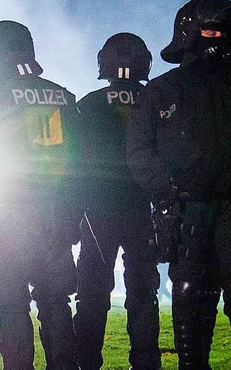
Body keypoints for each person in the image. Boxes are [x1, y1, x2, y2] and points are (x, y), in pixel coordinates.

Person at [127, 0, 231, 369]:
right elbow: (139, 151)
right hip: (195, 204)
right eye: (209, 29)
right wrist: (168, 188)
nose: (215, 37)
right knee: (194, 291)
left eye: (221, 30)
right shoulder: (164, 89)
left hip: (229, 203)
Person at [0, 20, 80, 370]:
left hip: (6, 222)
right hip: (56, 219)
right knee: (57, 305)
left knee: (12, 308)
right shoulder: (63, 96)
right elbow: (83, 163)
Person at [73, 32, 161, 370]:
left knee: (92, 296)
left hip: (98, 211)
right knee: (143, 294)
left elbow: (73, 162)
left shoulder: (89, 104)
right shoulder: (155, 97)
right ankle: (146, 362)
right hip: (145, 209)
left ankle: (87, 363)